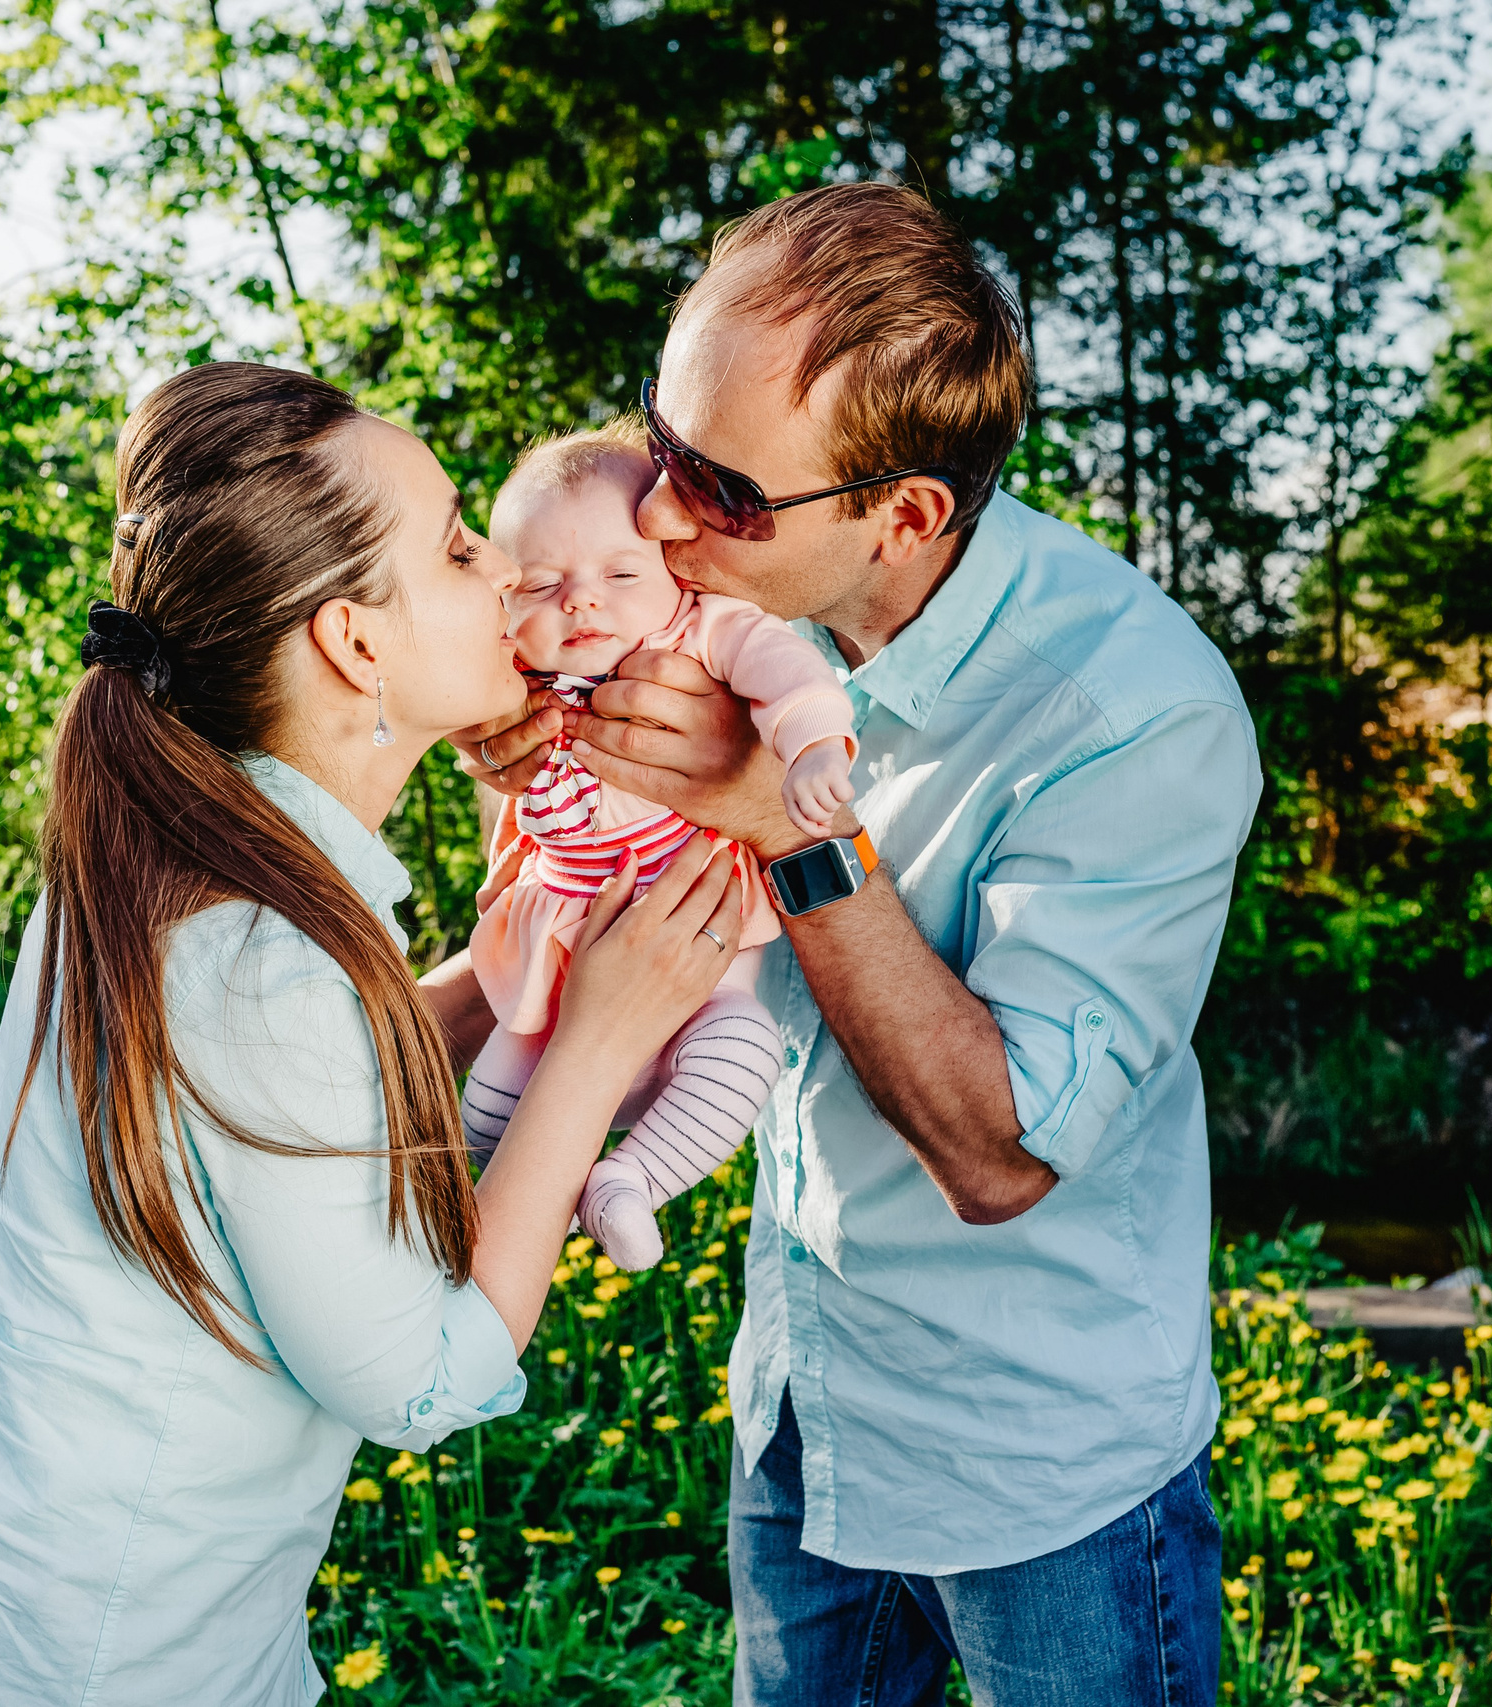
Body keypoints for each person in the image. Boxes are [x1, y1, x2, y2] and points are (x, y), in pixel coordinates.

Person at [0, 362, 749, 1707]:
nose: (509, 577)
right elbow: (423, 1374)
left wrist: (501, 989)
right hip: (106, 1656)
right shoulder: (271, 961)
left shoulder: (161, 845)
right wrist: (599, 1041)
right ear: (356, 645)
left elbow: (272, 1103)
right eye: (455, 548)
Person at [456, 183, 1261, 1705]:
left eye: (729, 490)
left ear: (903, 515)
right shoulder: (711, 597)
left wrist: (787, 824)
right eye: (665, 442)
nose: (662, 514)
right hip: (804, 1409)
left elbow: (1000, 1151)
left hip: (1046, 1470)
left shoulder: (1135, 714)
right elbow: (583, 898)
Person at [462, 423, 857, 1271]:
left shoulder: (698, 630)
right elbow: (458, 706)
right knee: (492, 1093)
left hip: (698, 971)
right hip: (559, 966)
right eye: (541, 584)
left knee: (745, 1052)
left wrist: (816, 745)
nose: (581, 601)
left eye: (620, 574)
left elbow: (787, 670)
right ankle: (487, 1201)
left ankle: (627, 1181)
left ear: (671, 572)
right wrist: (478, 739)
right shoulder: (517, 676)